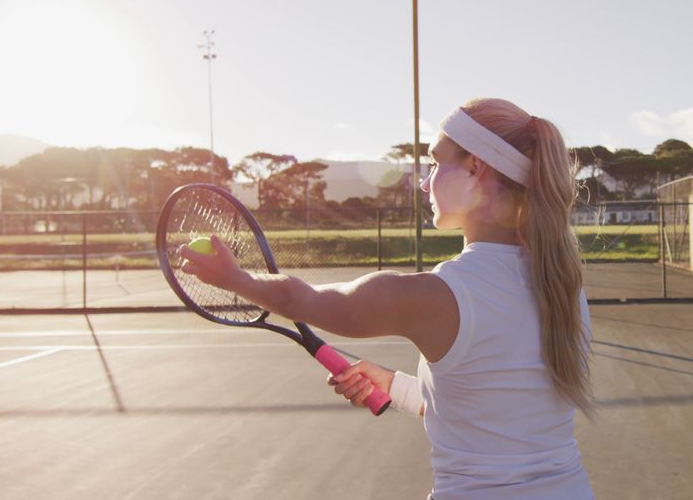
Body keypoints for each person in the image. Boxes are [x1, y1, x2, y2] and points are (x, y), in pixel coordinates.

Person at [180, 98, 595, 499]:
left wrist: (232, 277)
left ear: (475, 169)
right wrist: (395, 386)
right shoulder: (562, 285)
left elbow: (298, 297)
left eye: (435, 163)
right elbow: (488, 415)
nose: (426, 181)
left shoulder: (437, 294)